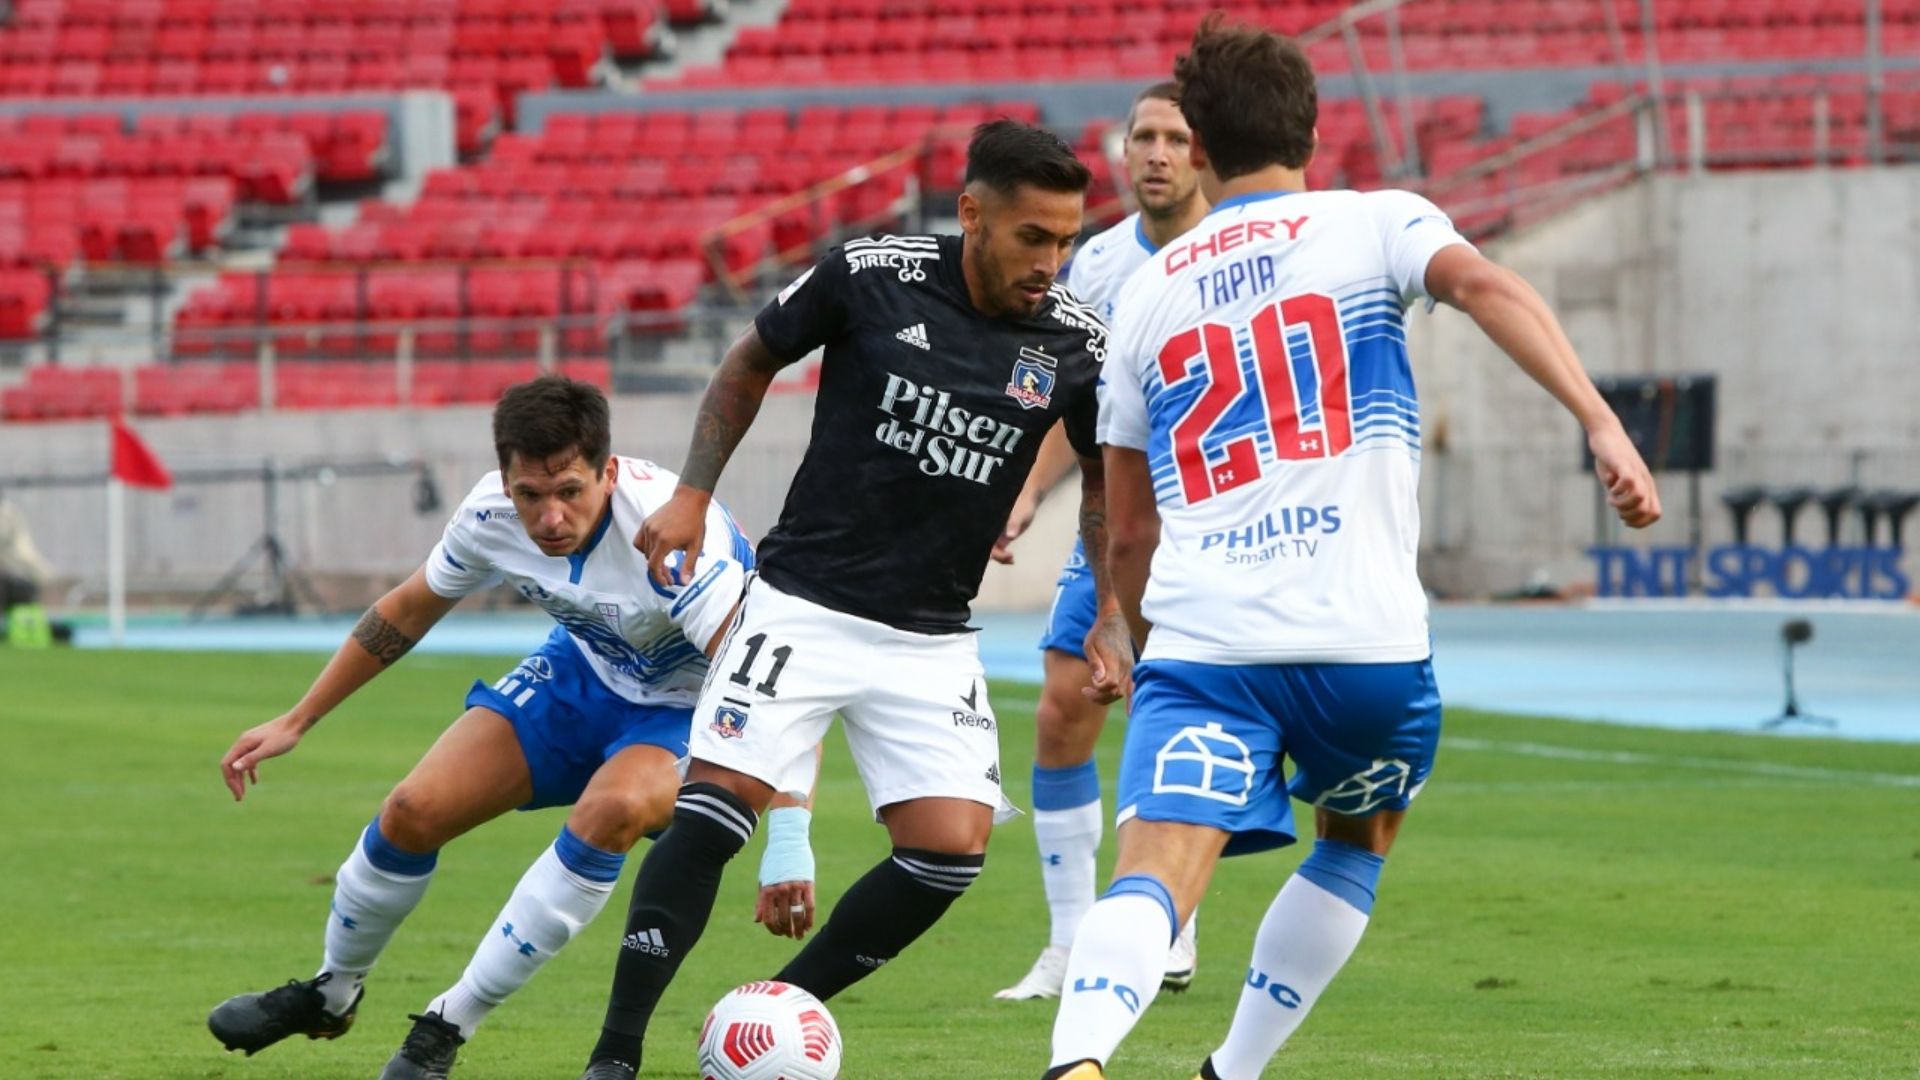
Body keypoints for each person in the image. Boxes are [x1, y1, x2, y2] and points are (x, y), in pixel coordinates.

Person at [1040, 17, 1661, 1080]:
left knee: (1155, 869)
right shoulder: (1377, 222)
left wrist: (1126, 637)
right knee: (1356, 843)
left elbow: (1129, 528)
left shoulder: (1141, 296)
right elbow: (1489, 290)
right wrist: (1599, 421)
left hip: (1206, 647)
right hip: (1363, 646)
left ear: (1196, 146)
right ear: (1314, 134)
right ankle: (1232, 1070)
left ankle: (1080, 1063)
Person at [578, 120, 1131, 1080]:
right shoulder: (872, 271)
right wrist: (694, 493)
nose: (1052, 260)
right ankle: (615, 1054)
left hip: (931, 638)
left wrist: (1114, 610)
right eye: (1031, 236)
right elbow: (751, 359)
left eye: (1066, 239)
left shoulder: (1077, 342)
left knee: (949, 854)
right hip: (803, 604)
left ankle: (778, 1013)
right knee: (714, 812)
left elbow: (1104, 473)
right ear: (971, 214)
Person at [205, 376, 810, 1080]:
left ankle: (444, 1027)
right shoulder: (488, 516)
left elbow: (772, 690)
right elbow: (407, 609)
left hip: (692, 705)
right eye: (530, 496)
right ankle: (330, 993)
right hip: (582, 672)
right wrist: (297, 719)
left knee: (609, 810)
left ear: (607, 475)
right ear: (505, 481)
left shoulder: (674, 542)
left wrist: (790, 838)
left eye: (570, 493)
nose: (550, 517)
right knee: (410, 811)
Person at [995, 81, 1212, 1003]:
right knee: (1061, 710)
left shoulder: (1235, 249)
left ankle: (1174, 919)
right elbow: (1064, 404)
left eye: (1174, 136)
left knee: (1178, 708)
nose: (1156, 153)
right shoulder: (1093, 268)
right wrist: (1024, 491)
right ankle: (1067, 942)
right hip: (1117, 514)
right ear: (1122, 154)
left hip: (1213, 520)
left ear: (1204, 152)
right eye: (1142, 137)